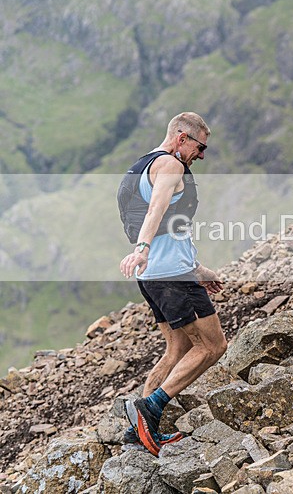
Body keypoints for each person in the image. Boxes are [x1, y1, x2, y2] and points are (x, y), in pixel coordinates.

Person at [119, 112, 227, 456]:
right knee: (213, 346)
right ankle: (152, 407)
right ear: (182, 138)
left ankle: (138, 427)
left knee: (178, 349)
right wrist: (142, 248)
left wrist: (198, 269)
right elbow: (156, 210)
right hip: (168, 273)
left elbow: (168, 225)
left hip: (153, 275)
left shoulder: (142, 165)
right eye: (200, 146)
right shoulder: (170, 166)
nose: (202, 155)